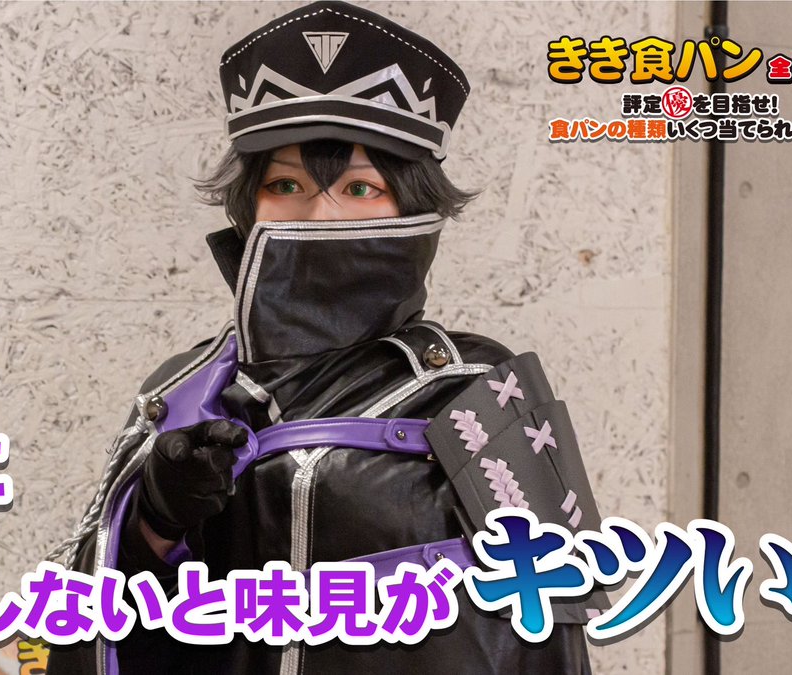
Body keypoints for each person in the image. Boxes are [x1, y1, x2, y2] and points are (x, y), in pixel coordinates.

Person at [47, 2, 604, 673]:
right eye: (287, 184)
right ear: (250, 207)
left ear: (414, 207)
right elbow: (95, 631)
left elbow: (550, 626)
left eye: (361, 187)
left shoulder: (481, 386)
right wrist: (153, 523)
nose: (320, 214)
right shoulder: (183, 393)